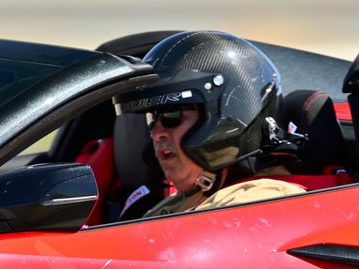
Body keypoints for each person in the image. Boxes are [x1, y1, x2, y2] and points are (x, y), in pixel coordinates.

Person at [114, 31, 309, 218]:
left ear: (225, 116)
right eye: (152, 119)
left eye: (171, 116)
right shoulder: (182, 201)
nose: (157, 134)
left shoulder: (263, 201)